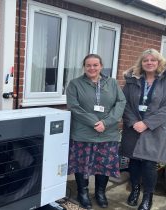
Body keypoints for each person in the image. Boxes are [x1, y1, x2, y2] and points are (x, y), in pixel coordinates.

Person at [121, 49, 166, 210]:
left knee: (149, 164)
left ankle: (148, 197)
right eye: (145, 60)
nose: (149, 63)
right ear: (141, 63)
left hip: (155, 129)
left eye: (153, 60)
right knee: (133, 162)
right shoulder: (132, 80)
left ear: (159, 62)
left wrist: (146, 123)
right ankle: (134, 190)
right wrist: (133, 122)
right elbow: (123, 103)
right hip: (134, 127)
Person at [66, 54, 126, 209]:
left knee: (104, 165)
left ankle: (100, 192)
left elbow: (121, 102)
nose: (92, 68)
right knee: (81, 165)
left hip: (107, 133)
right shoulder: (75, 84)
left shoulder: (112, 83)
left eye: (95, 65)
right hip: (83, 133)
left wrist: (106, 122)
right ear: (84, 67)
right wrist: (94, 122)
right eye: (88, 65)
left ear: (101, 66)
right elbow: (74, 106)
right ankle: (82, 193)